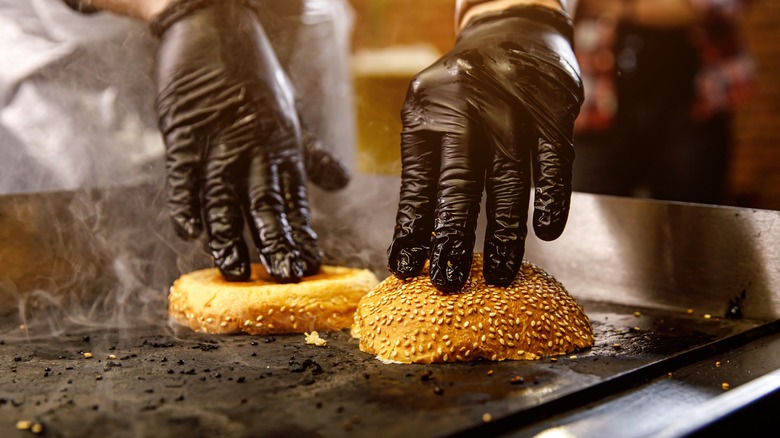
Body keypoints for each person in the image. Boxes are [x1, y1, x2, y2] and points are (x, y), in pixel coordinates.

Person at [51, 0, 584, 292]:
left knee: (310, 237)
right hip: (88, 55)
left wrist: (509, 10)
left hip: (299, 24)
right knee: (92, 270)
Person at [572, 0, 753, 204]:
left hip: (693, 105)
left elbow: (716, 5)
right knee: (586, 219)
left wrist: (623, 8)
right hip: (599, 104)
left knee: (691, 223)